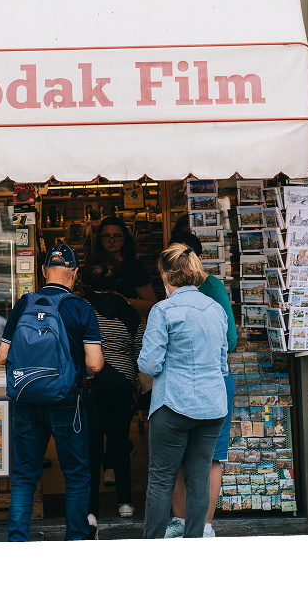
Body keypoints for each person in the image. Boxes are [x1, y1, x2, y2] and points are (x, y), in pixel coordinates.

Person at [0, 242, 104, 542]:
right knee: (77, 476)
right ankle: (76, 538)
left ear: (44, 271)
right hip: (66, 403)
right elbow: (94, 365)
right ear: (75, 273)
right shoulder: (82, 308)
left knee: (24, 477)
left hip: (27, 401)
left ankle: (18, 539)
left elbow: (3, 357)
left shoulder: (24, 303)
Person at [137, 242, 230, 539]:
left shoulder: (162, 310)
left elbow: (149, 364)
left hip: (172, 404)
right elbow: (223, 362)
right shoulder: (215, 309)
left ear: (165, 276)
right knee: (199, 478)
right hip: (212, 405)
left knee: (161, 480)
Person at [167, 228, 238, 538]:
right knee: (193, 457)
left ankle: (199, 527)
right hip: (203, 383)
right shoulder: (186, 289)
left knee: (202, 457)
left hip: (199, 383)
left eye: (181, 256)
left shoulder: (208, 287)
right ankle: (190, 526)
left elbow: (231, 340)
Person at [76, 218, 146, 526]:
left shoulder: (79, 308)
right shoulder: (130, 311)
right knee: (119, 443)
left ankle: (90, 510)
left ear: (86, 282)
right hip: (122, 386)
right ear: (117, 281)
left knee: (91, 448)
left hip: (91, 384)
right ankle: (126, 504)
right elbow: (140, 351)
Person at [79, 213, 158, 324]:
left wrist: (125, 301)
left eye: (117, 236)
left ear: (124, 238)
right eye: (106, 236)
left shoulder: (135, 266)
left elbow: (152, 305)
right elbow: (82, 300)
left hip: (127, 327)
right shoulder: (92, 264)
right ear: (100, 238)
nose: (111, 241)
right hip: (94, 328)